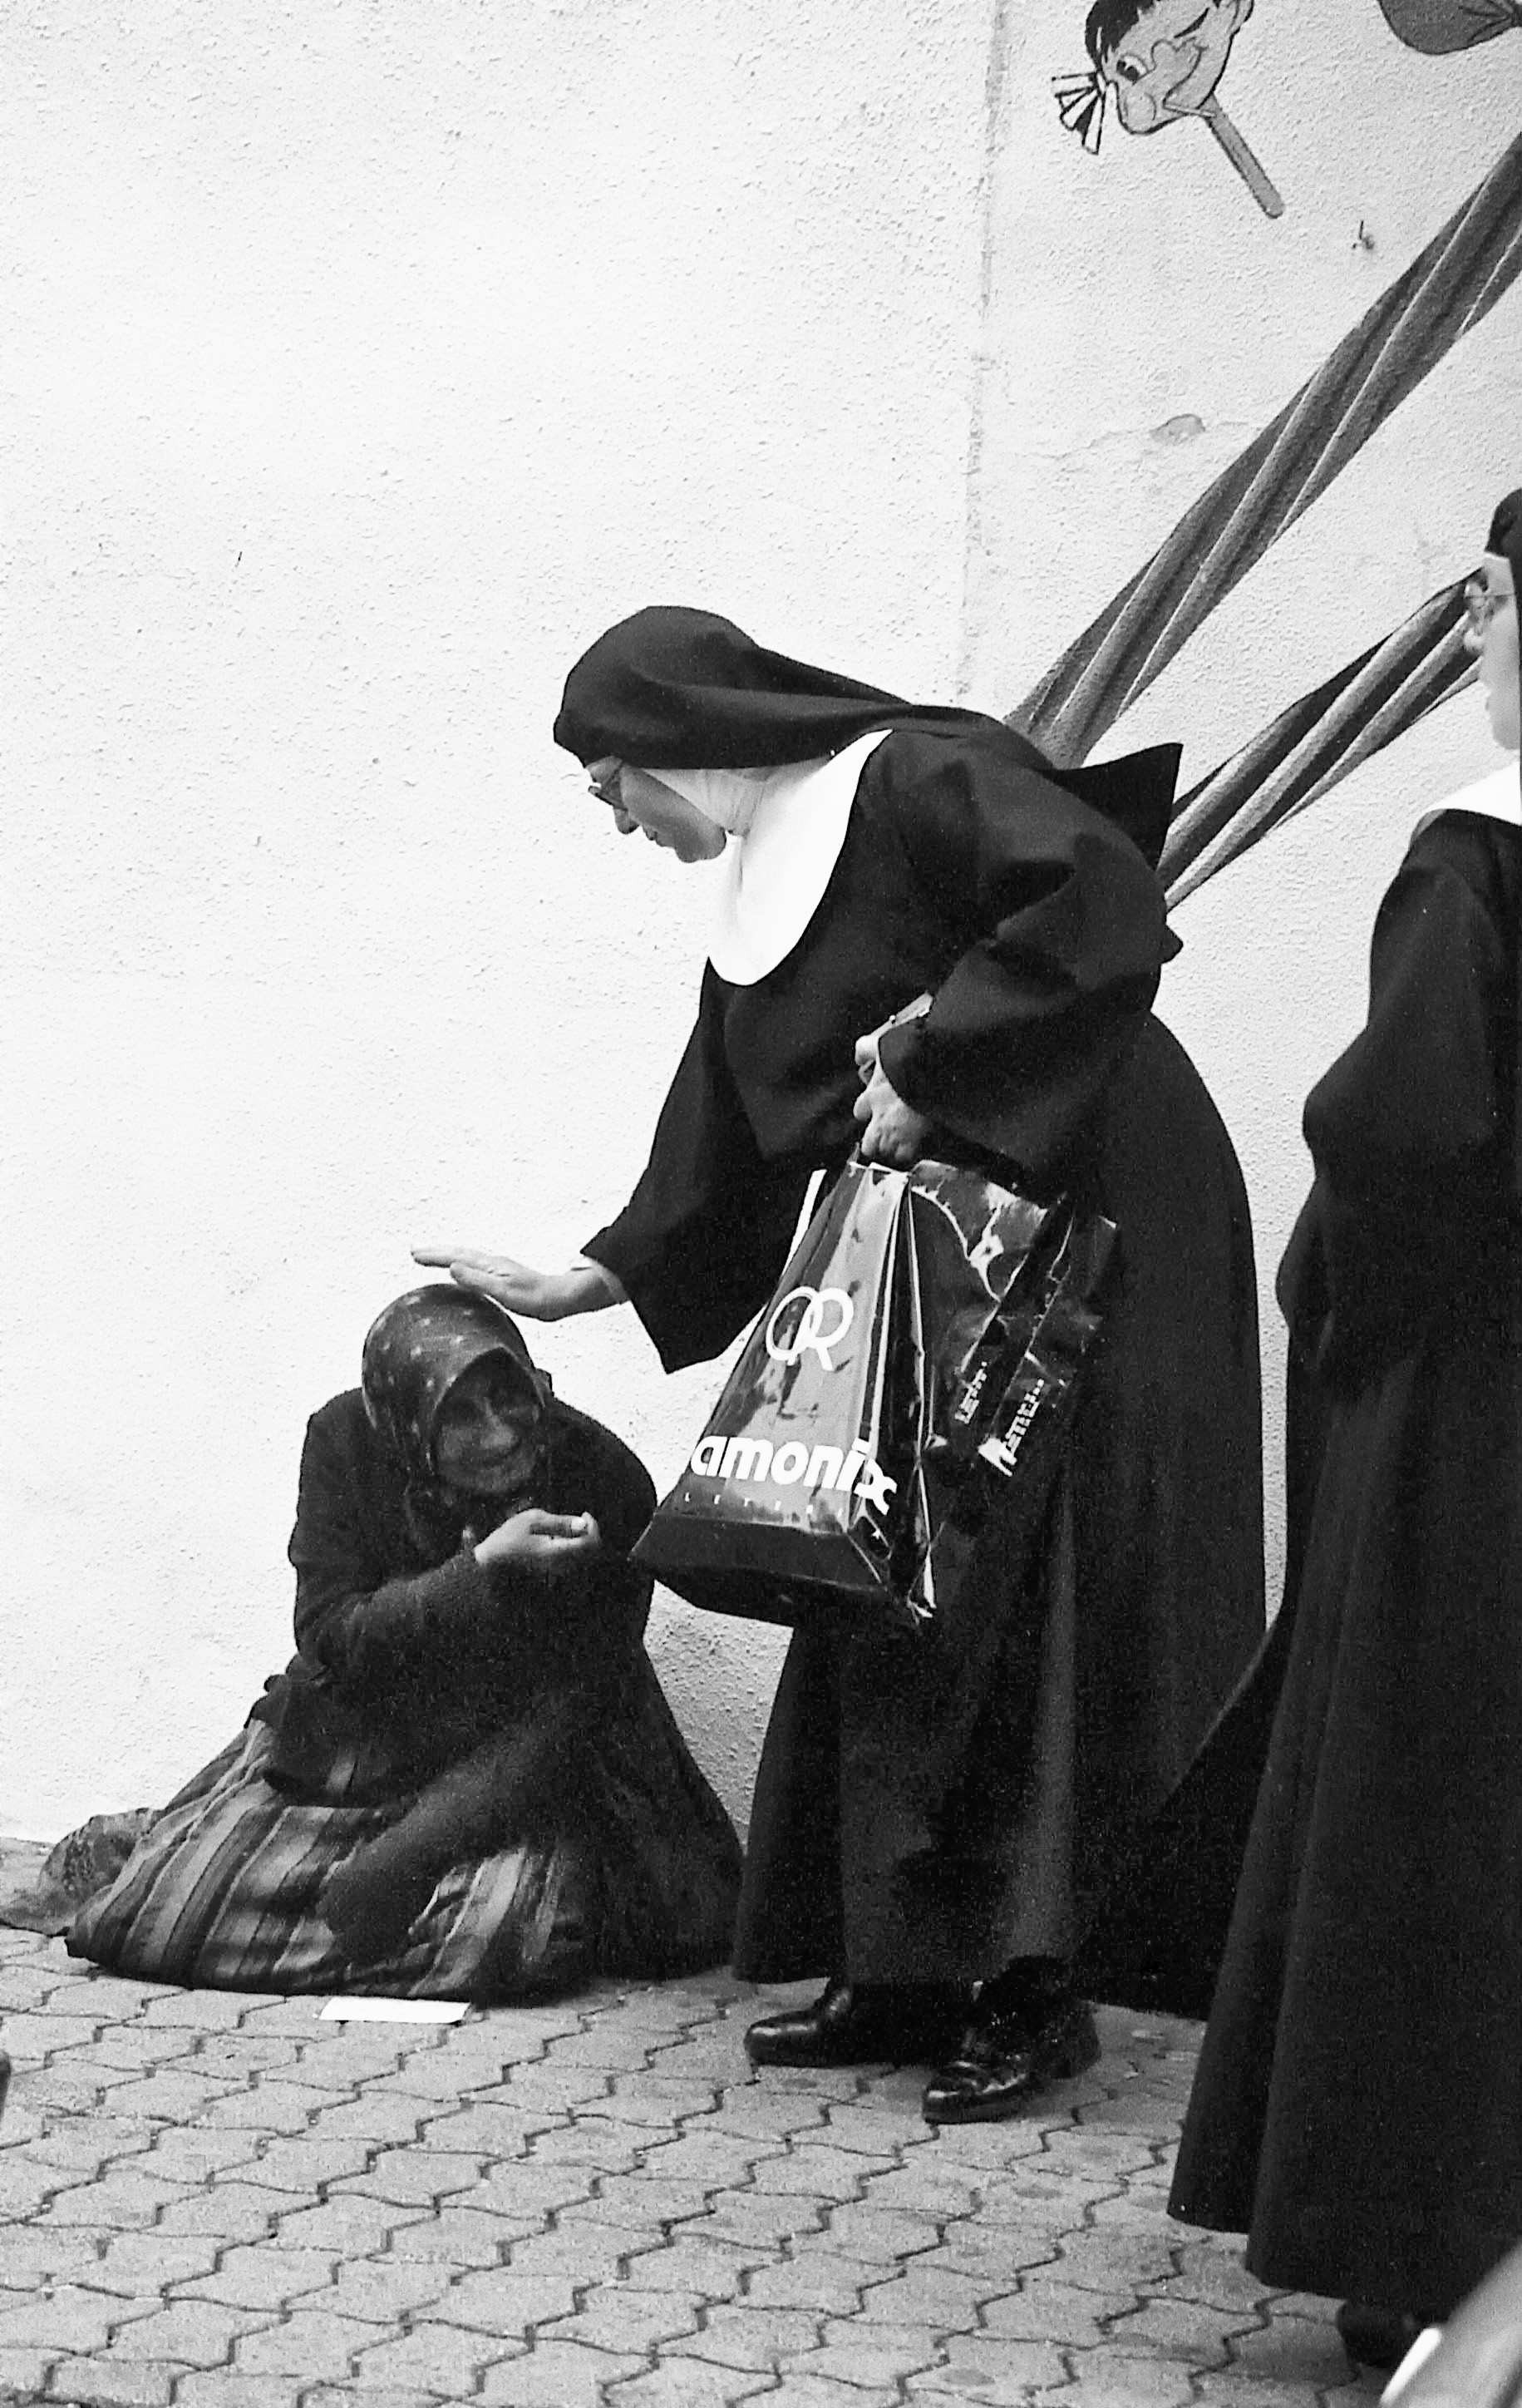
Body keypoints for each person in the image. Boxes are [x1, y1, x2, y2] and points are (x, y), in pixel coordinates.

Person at [418, 606, 1263, 2119]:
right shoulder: (757, 884)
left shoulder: (917, 779)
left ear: (692, 741)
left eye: (612, 776)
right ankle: (904, 1966)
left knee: (1025, 1606)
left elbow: (1099, 899)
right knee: (876, 1577)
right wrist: (591, 1276)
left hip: (1097, 1220)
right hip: (944, 1265)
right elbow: (727, 1134)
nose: (612, 813)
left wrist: (937, 1056)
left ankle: (1032, 1989)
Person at [1169, 491, 1522, 2363]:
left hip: (1472, 1423)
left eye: (1482, 612)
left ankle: (1420, 2237)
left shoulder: (1474, 859)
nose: (1473, 650)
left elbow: (1404, 1135)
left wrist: (1342, 1312)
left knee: (1436, 1798)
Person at [68, 1286, 741, 2000]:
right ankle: (171, 1847)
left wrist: (408, 1855)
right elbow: (331, 1635)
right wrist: (476, 1572)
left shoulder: (600, 1476)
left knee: (510, 1936)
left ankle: (367, 1894)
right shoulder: (342, 1443)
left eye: (508, 1399)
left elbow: (579, 1706)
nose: (501, 1435)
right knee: (160, 1920)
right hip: (362, 1740)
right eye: (461, 1415)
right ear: (409, 1422)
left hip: (517, 1768)